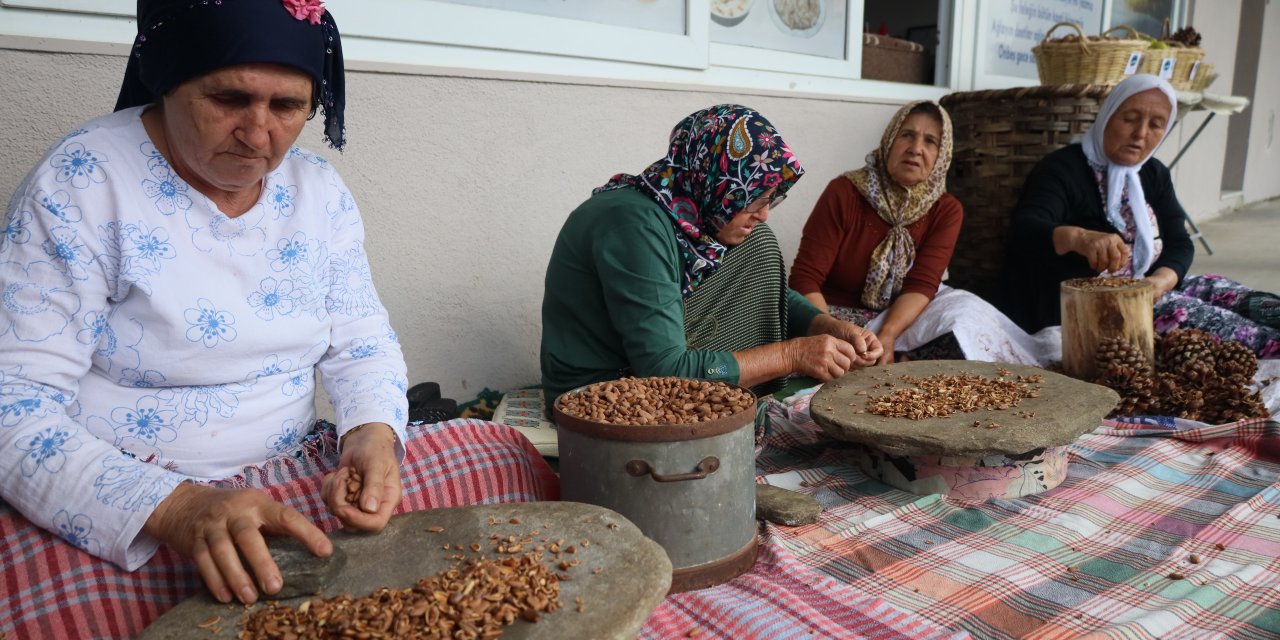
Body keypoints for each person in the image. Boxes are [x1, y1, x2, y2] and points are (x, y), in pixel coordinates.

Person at [0, 1, 555, 636]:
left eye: (288, 107)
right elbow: (13, 403)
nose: (259, 134)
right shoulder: (82, 182)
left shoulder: (317, 191)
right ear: (168, 79)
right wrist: (177, 508)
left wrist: (371, 434)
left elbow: (360, 340)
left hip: (295, 473)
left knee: (499, 455)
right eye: (229, 97)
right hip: (136, 501)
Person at [540, 104, 884, 406]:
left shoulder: (687, 215)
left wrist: (829, 327)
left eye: (771, 200)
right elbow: (665, 372)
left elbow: (762, 289)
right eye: (757, 199)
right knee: (755, 239)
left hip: (645, 362)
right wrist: (793, 355)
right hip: (606, 390)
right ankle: (739, 387)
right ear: (720, 181)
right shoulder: (636, 226)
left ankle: (736, 382)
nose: (764, 212)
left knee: (756, 240)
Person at [1001, 74, 1280, 356]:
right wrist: (1079, 237)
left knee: (1256, 303)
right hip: (1094, 303)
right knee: (1243, 334)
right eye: (1130, 118)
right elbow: (1025, 229)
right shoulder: (1062, 169)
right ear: (1107, 116)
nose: (1141, 134)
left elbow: (1179, 242)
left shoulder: (1152, 173)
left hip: (1149, 285)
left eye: (1156, 125)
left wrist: (1161, 281)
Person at [788, 101, 1049, 366]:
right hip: (836, 317)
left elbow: (922, 285)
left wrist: (888, 336)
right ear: (890, 140)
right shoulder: (844, 192)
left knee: (966, 317)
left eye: (930, 141)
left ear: (941, 154)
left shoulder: (946, 210)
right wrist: (833, 337)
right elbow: (805, 279)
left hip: (903, 319)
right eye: (907, 135)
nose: (916, 149)